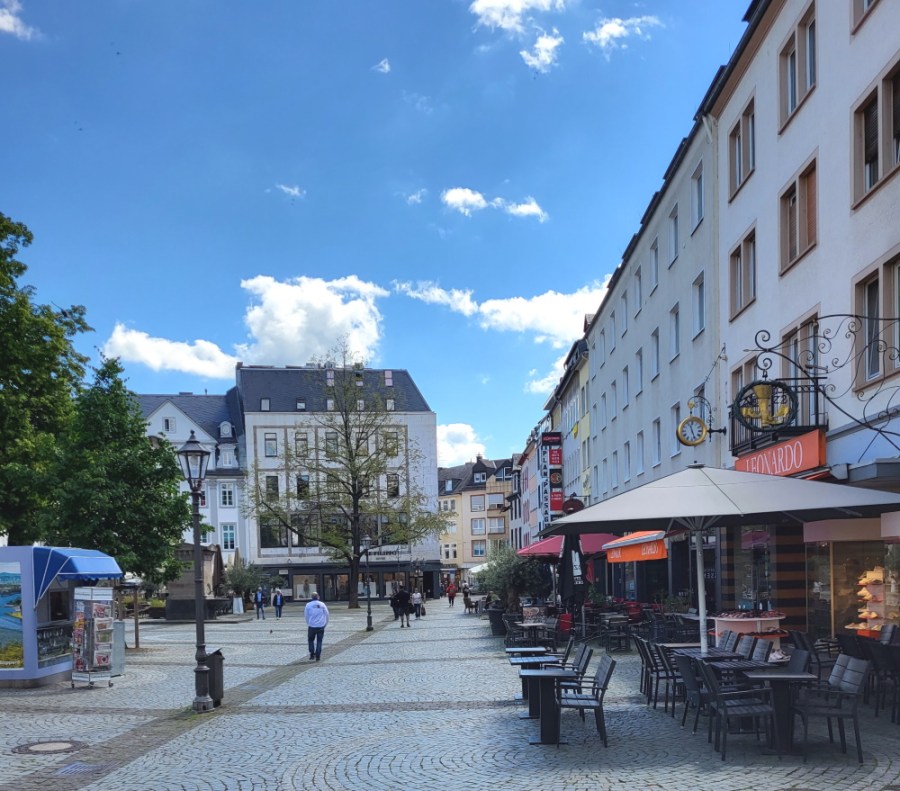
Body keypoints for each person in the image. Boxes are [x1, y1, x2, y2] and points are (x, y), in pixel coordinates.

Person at [304, 592, 329, 661]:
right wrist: (325, 623)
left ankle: (312, 654)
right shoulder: (322, 604)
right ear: (318, 597)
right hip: (321, 625)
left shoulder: (308, 605)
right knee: (319, 641)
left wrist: (308, 623)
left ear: (312, 597)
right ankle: (318, 656)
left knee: (310, 640)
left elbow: (306, 615)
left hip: (312, 626)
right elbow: (327, 614)